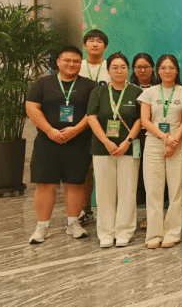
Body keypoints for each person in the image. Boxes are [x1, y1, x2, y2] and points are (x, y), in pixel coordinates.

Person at [26, 46, 97, 244]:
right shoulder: (43, 83)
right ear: (58, 62)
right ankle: (42, 227)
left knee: (75, 183)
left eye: (76, 61)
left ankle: (73, 223)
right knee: (45, 183)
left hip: (78, 142)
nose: (71, 64)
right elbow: (32, 108)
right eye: (67, 60)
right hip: (47, 141)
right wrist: (50, 130)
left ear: (81, 63)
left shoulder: (89, 85)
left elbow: (92, 113)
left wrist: (76, 130)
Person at [86, 52, 143, 247]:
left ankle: (124, 231)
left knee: (128, 190)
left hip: (129, 148)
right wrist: (106, 142)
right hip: (103, 149)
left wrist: (127, 141)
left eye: (123, 67)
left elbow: (140, 119)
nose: (119, 71)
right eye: (115, 67)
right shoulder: (98, 92)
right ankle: (106, 232)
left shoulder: (136, 92)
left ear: (128, 70)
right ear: (108, 70)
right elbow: (91, 118)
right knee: (104, 191)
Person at [138, 54, 182, 249]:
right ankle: (154, 233)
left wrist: (174, 141)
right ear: (157, 71)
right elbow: (145, 121)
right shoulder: (149, 92)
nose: (167, 71)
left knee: (176, 190)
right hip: (154, 143)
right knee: (153, 191)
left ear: (177, 71)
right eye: (163, 68)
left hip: (178, 143)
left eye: (171, 68)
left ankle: (173, 233)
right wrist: (165, 138)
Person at [78, 29, 110, 226]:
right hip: (80, 126)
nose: (95, 44)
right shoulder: (77, 66)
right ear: (85, 45)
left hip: (105, 125)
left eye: (99, 41)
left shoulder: (111, 66)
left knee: (106, 170)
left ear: (105, 46)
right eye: (91, 40)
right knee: (85, 170)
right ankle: (86, 209)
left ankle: (109, 210)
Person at [130, 52, 160, 229]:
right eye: (138, 67)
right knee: (137, 177)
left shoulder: (160, 87)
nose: (142, 70)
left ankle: (152, 216)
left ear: (152, 68)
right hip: (134, 138)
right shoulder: (129, 89)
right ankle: (131, 216)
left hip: (156, 136)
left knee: (155, 178)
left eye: (146, 67)